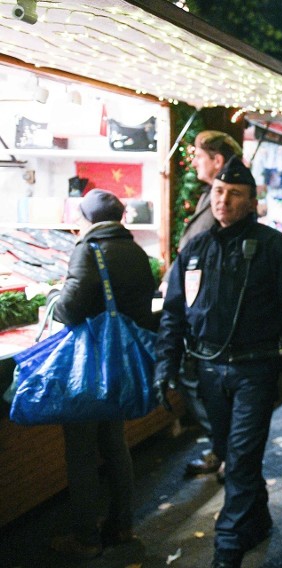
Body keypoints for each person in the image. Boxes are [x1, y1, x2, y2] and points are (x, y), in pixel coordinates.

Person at [154, 157, 282, 568]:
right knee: (230, 451)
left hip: (256, 370)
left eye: (234, 194)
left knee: (241, 460)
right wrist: (166, 366)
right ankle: (257, 521)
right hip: (209, 373)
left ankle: (227, 548)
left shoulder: (275, 250)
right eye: (218, 191)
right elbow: (174, 314)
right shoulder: (194, 250)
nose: (223, 201)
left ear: (252, 202)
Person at [50, 190, 157, 560]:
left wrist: (55, 297)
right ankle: (122, 525)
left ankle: (85, 536)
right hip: (121, 367)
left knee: (81, 451)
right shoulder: (137, 252)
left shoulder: (89, 249)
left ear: (89, 218)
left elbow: (70, 309)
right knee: (114, 444)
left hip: (88, 367)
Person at [167, 130, 243, 478]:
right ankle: (221, 449)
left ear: (216, 160)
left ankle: (225, 450)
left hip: (207, 311)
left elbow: (199, 254)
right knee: (201, 382)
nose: (194, 161)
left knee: (200, 381)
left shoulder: (220, 203)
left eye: (198, 155)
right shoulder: (206, 199)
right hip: (200, 306)